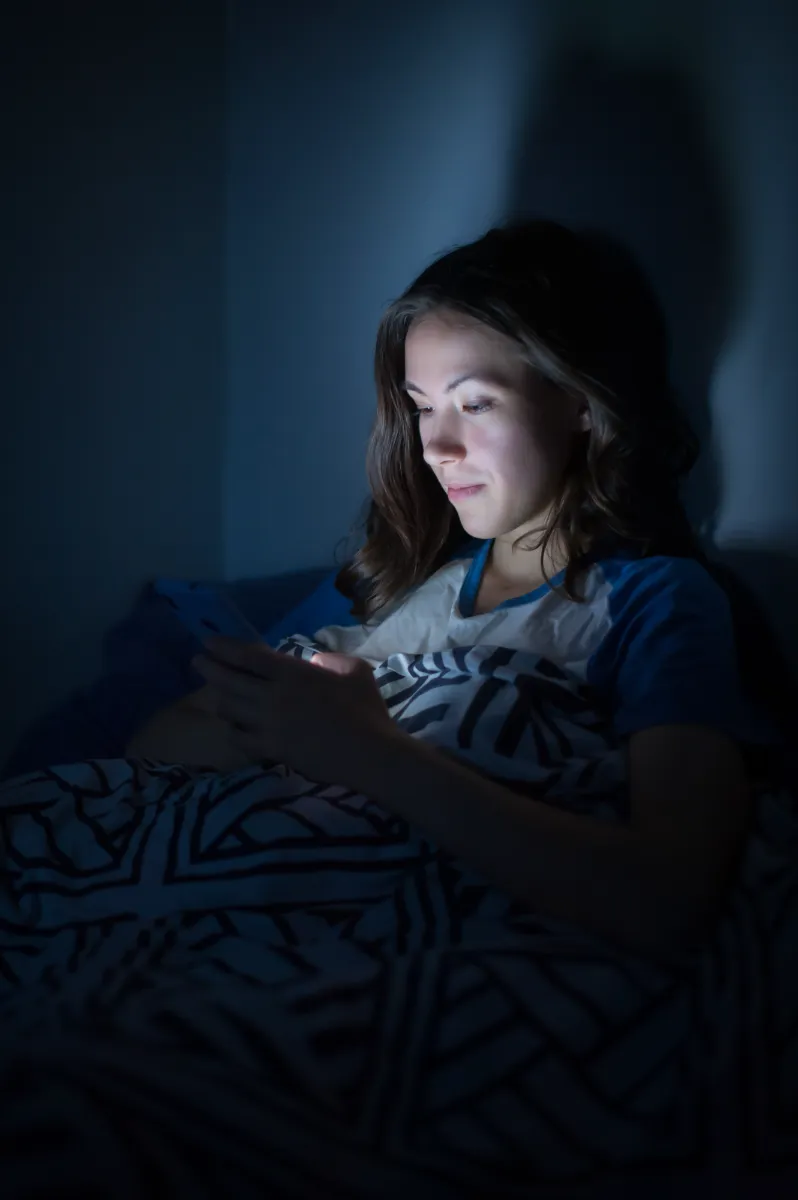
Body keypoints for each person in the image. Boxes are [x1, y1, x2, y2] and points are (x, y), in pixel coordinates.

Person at [125, 218, 775, 961]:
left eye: (475, 403)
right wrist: (274, 726)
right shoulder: (405, 588)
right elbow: (154, 744)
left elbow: (669, 900)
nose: (436, 446)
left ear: (582, 404)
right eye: (422, 405)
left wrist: (369, 752)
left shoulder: (656, 600)